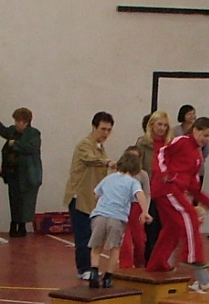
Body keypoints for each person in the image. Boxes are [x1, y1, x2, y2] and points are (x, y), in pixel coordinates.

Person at [145, 116, 209, 292]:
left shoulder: (197, 157)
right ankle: (194, 260)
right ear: (195, 130)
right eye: (204, 135)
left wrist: (205, 200)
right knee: (189, 217)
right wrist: (166, 174)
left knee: (171, 229)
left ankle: (157, 264)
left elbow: (193, 183)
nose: (206, 139)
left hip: (174, 190)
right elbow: (162, 153)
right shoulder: (182, 141)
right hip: (166, 188)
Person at [63, 112, 115, 280]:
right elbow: (89, 159)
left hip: (92, 199)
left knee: (92, 234)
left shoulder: (100, 147)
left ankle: (90, 267)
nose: (105, 133)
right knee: (83, 234)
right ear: (94, 127)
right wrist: (107, 162)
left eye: (109, 130)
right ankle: (83, 268)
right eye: (103, 129)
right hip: (79, 197)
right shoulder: (84, 145)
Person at [89, 150, 151, 288]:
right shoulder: (133, 182)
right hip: (117, 217)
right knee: (115, 248)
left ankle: (94, 272)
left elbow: (96, 194)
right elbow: (141, 195)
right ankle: (108, 277)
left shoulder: (109, 178)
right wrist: (145, 211)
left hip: (100, 215)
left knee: (96, 246)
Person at [0, 105, 43, 239]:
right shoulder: (13, 131)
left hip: (27, 174)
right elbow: (3, 130)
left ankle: (22, 226)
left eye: (18, 121)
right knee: (14, 199)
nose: (16, 124)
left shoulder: (34, 133)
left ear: (25, 122)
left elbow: (30, 148)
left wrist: (14, 144)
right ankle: (14, 224)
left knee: (25, 201)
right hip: (13, 172)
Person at [134, 111, 172, 259]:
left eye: (165, 125)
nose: (162, 128)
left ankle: (161, 258)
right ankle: (149, 260)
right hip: (149, 192)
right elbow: (138, 168)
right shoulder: (142, 143)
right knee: (151, 229)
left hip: (166, 191)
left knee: (164, 228)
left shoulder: (171, 144)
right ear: (152, 125)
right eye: (159, 124)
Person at [174, 104, 209, 173]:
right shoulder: (176, 130)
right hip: (179, 164)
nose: (192, 116)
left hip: (196, 166)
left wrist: (200, 157)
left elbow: (206, 147)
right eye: (189, 114)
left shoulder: (199, 129)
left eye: (193, 114)